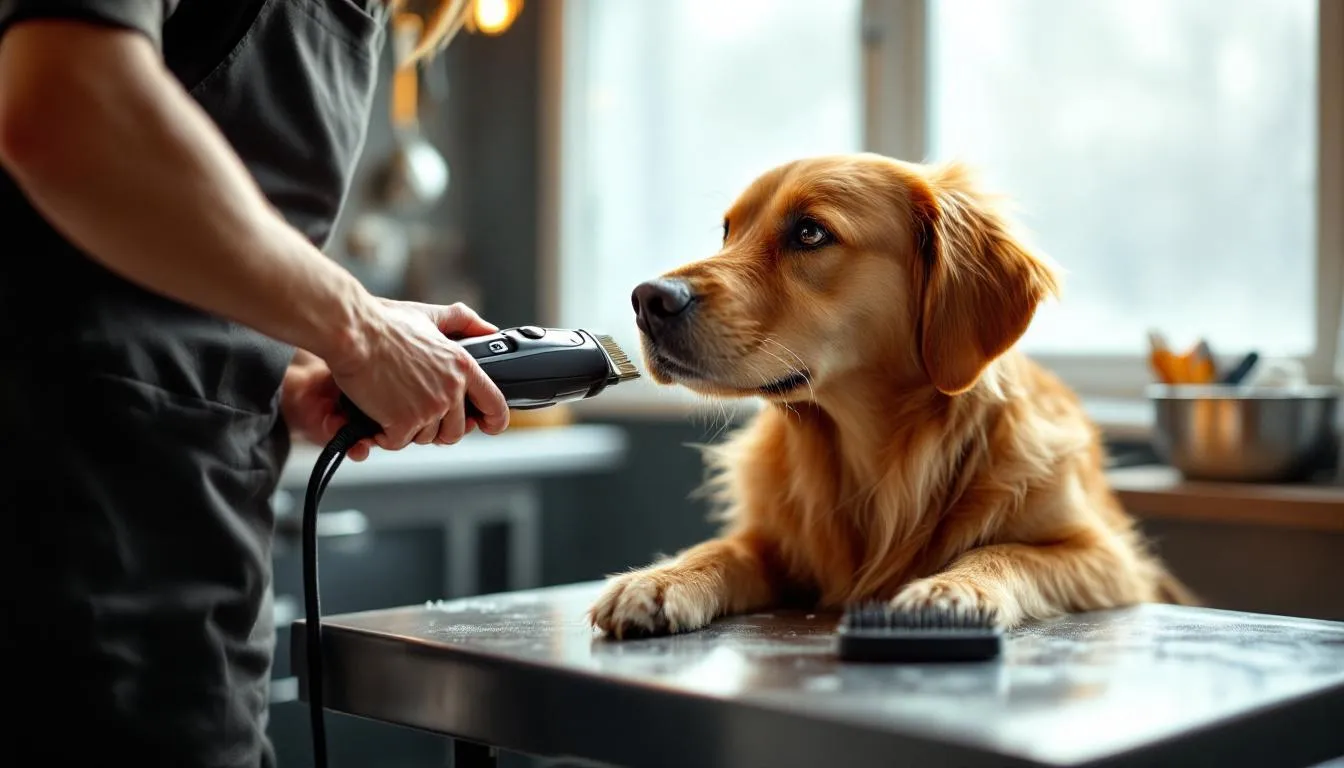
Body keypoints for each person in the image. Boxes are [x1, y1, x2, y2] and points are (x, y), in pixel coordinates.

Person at [0, 1, 506, 766]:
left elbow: (168, 258)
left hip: (190, 543)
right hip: (68, 532)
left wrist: (280, 363)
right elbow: (66, 106)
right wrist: (357, 328)